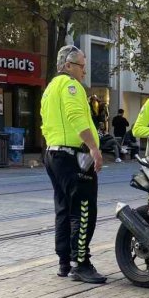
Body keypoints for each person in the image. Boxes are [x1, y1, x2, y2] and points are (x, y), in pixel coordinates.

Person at [41, 45, 107, 284]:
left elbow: (46, 124)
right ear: (68, 66)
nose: (84, 72)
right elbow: (75, 116)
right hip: (73, 156)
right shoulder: (71, 86)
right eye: (82, 66)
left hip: (54, 154)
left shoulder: (49, 89)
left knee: (63, 209)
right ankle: (81, 263)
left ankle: (64, 261)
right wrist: (93, 147)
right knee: (84, 209)